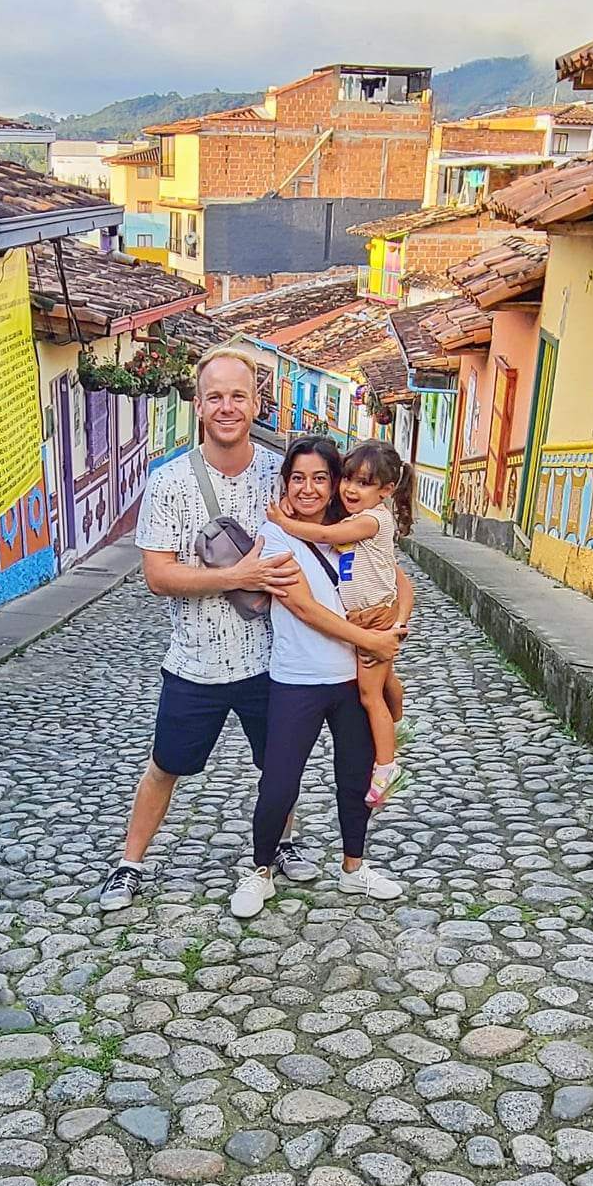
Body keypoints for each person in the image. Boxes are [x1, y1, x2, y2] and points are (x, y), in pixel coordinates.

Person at [98, 346, 307, 912]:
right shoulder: (168, 483)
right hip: (196, 660)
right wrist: (236, 575)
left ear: (257, 403)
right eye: (215, 395)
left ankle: (284, 842)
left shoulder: (282, 477)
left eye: (238, 395)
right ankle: (129, 862)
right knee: (166, 763)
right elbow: (158, 575)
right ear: (198, 404)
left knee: (279, 762)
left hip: (274, 657)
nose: (227, 406)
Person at [232, 437, 409, 921]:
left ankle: (354, 868)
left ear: (335, 483)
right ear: (286, 482)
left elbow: (399, 581)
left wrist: (398, 626)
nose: (308, 488)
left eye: (320, 478)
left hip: (351, 681)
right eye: (298, 477)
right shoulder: (277, 539)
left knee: (354, 779)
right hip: (298, 679)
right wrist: (370, 641)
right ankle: (261, 871)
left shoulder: (352, 531)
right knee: (279, 784)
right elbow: (305, 608)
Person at [268, 438, 413, 806]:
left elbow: (327, 536)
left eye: (363, 483)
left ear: (385, 491)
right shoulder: (357, 520)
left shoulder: (369, 521)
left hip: (373, 622)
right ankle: (399, 725)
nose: (351, 488)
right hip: (369, 623)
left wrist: (286, 522)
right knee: (385, 683)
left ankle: (387, 763)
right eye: (348, 479)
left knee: (369, 695)